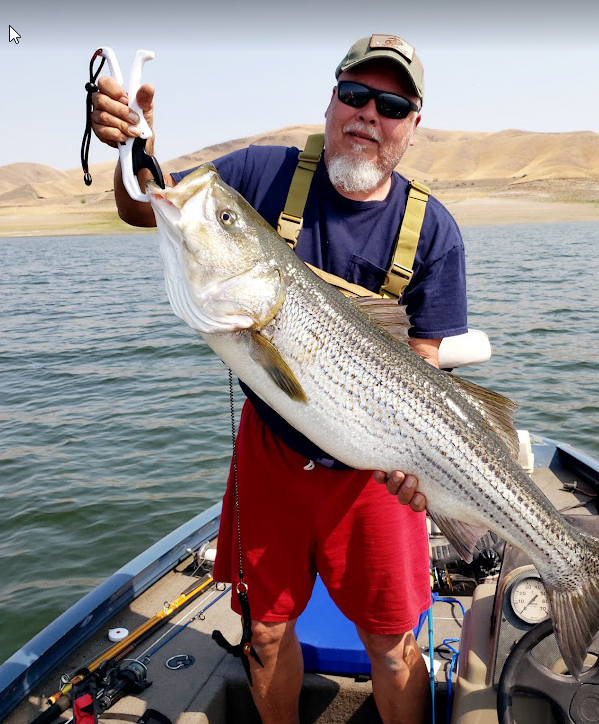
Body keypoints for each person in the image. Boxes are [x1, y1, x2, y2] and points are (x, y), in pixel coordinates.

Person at [92, 34, 468, 724]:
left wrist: (419, 461)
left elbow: (424, 364)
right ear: (330, 102)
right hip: (271, 454)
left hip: (373, 472)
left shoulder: (433, 230)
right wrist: (128, 147)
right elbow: (149, 202)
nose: (366, 114)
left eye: (390, 105)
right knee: (264, 634)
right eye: (353, 95)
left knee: (391, 644)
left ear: (412, 129)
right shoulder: (261, 174)